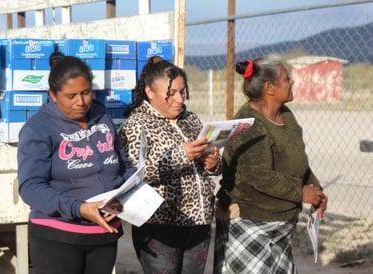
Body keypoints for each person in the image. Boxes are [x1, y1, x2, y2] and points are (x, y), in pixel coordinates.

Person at [17, 52, 136, 274]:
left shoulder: (102, 117)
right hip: (58, 237)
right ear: (52, 95)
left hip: (104, 234)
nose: (81, 102)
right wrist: (79, 209)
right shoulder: (38, 129)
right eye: (71, 96)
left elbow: (123, 164)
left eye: (86, 93)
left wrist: (126, 193)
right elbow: (31, 187)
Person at [213, 54, 328, 274]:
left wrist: (316, 189)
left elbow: (297, 161)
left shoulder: (286, 115)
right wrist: (300, 192)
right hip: (249, 222)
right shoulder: (249, 125)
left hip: (281, 223)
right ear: (270, 88)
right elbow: (259, 177)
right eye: (287, 78)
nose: (292, 81)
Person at [118, 56, 221, 274]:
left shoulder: (191, 119)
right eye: (171, 93)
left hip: (199, 222)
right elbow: (134, 175)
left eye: (182, 92)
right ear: (149, 92)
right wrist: (180, 155)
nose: (179, 99)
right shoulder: (137, 124)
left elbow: (207, 166)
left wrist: (213, 164)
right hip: (160, 225)